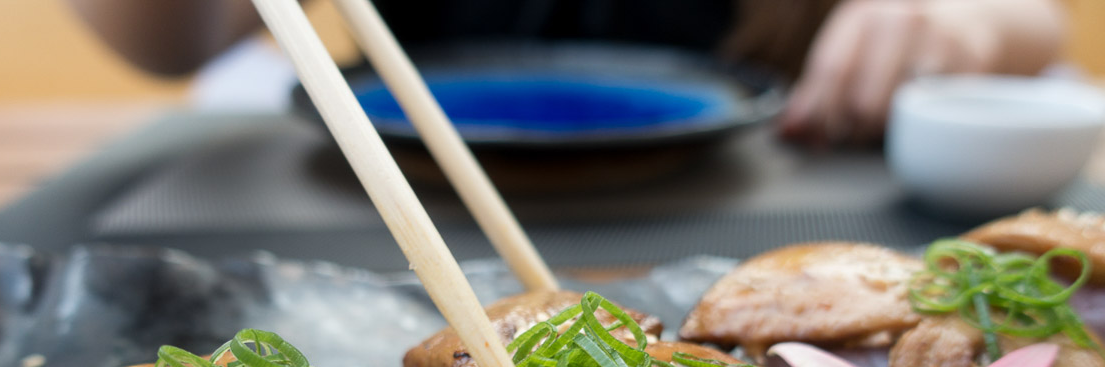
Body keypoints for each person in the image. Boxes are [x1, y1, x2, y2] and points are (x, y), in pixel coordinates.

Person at [67, 0, 1068, 145]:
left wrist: (964, 11)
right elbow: (163, 39)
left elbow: (1032, 23)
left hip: (777, 167)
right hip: (381, 174)